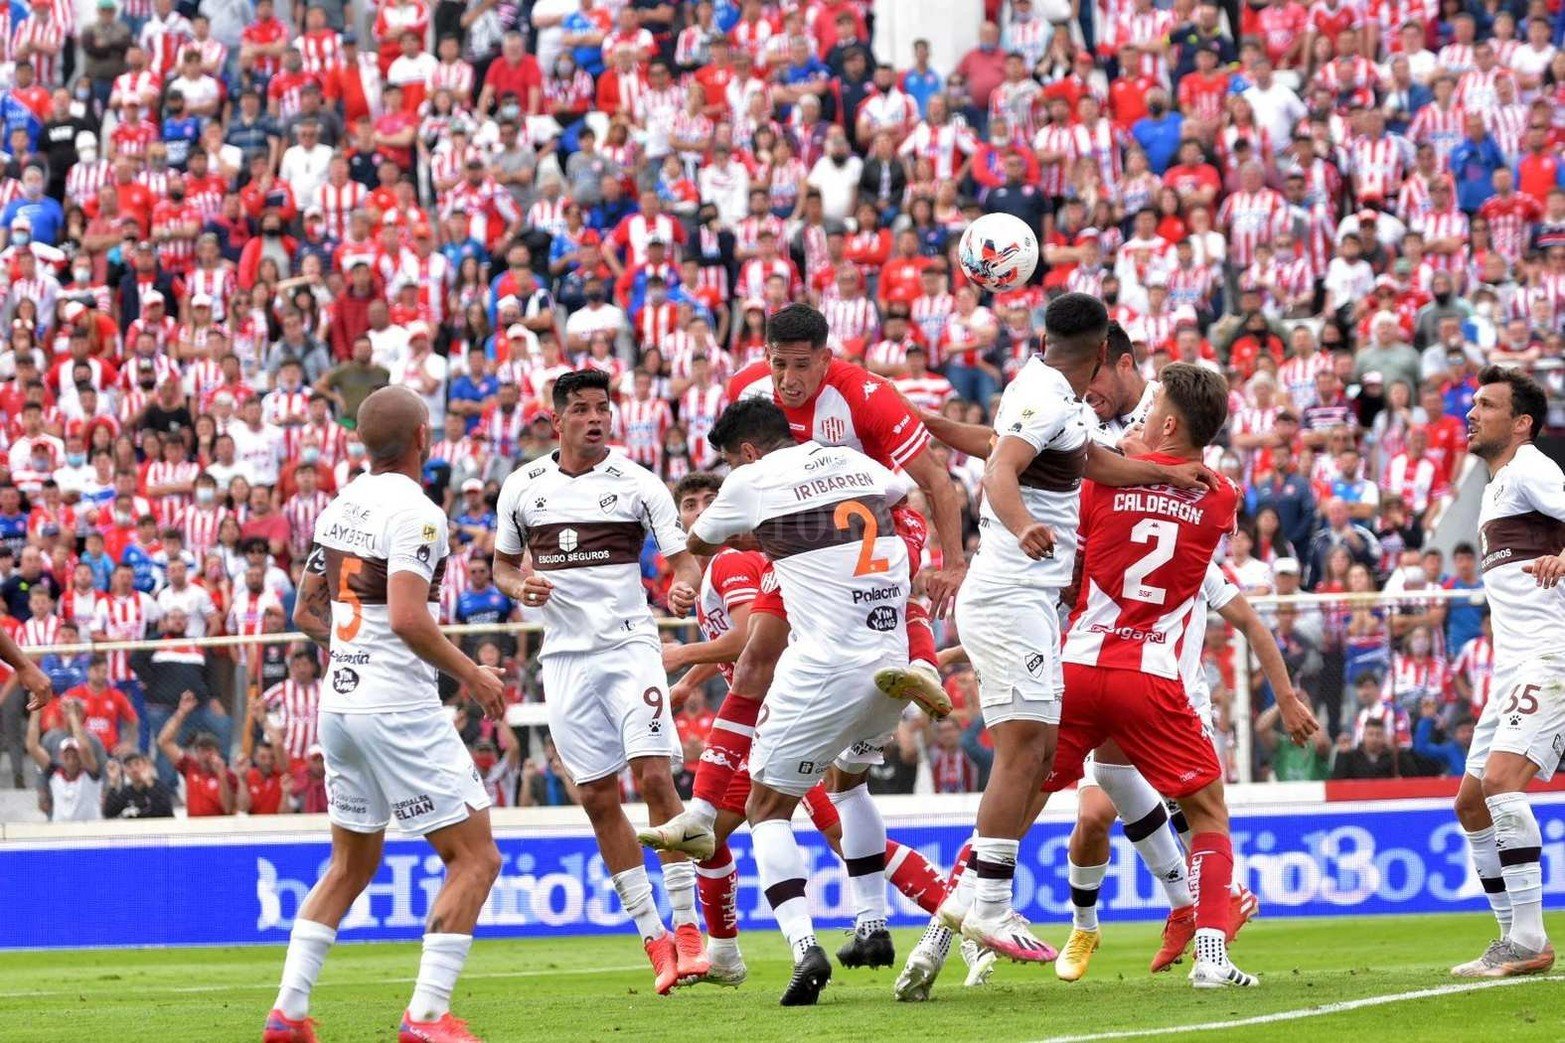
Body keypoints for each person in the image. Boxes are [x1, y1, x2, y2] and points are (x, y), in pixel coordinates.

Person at [1038, 364, 1320, 989]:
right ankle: (1210, 954)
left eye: (1150, 407)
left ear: (1166, 423)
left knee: (1019, 791)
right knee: (1204, 813)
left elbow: (1100, 464)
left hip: (1081, 667)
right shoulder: (1220, 497)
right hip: (1151, 679)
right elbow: (1160, 484)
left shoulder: (1101, 481)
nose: (1136, 417)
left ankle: (956, 917)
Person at [262, 386, 505, 1043]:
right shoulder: (418, 512)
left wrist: (352, 650)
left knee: (349, 863)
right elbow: (405, 616)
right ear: (423, 436)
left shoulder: (341, 503)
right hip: (395, 704)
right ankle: (426, 1016)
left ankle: (288, 1010)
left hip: (338, 704)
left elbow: (305, 609)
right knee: (475, 857)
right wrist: (473, 672)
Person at [684, 397, 918, 1005]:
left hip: (825, 667)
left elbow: (699, 540)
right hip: (890, 657)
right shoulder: (856, 463)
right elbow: (902, 499)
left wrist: (751, 525)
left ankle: (802, 946)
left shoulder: (751, 479)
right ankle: (872, 925)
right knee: (849, 785)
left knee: (766, 809)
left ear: (747, 451)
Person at [491, 368, 705, 997]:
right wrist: (517, 586)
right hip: (564, 660)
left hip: (629, 647)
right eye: (581, 409)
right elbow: (502, 568)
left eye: (602, 408)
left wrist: (686, 581)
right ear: (556, 418)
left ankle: (689, 928)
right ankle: (653, 938)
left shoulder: (638, 483)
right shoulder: (522, 487)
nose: (595, 418)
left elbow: (682, 556)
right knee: (595, 798)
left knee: (657, 776)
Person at [1450, 367, 1562, 979]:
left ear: (1520, 422)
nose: (1473, 413)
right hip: (1510, 665)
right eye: (1473, 403)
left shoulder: (1530, 468)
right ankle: (1508, 938)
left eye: (1487, 405)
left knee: (1501, 785)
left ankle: (1530, 940)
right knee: (1471, 804)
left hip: (1550, 655)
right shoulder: (1495, 488)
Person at [26, 699, 100, 821]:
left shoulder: (91, 775)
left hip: (89, 832)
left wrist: (72, 715)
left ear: (81, 757)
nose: (71, 760)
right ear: (61, 756)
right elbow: (32, 746)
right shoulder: (55, 774)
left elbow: (84, 747)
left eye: (75, 755)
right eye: (67, 755)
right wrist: (36, 711)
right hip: (60, 833)